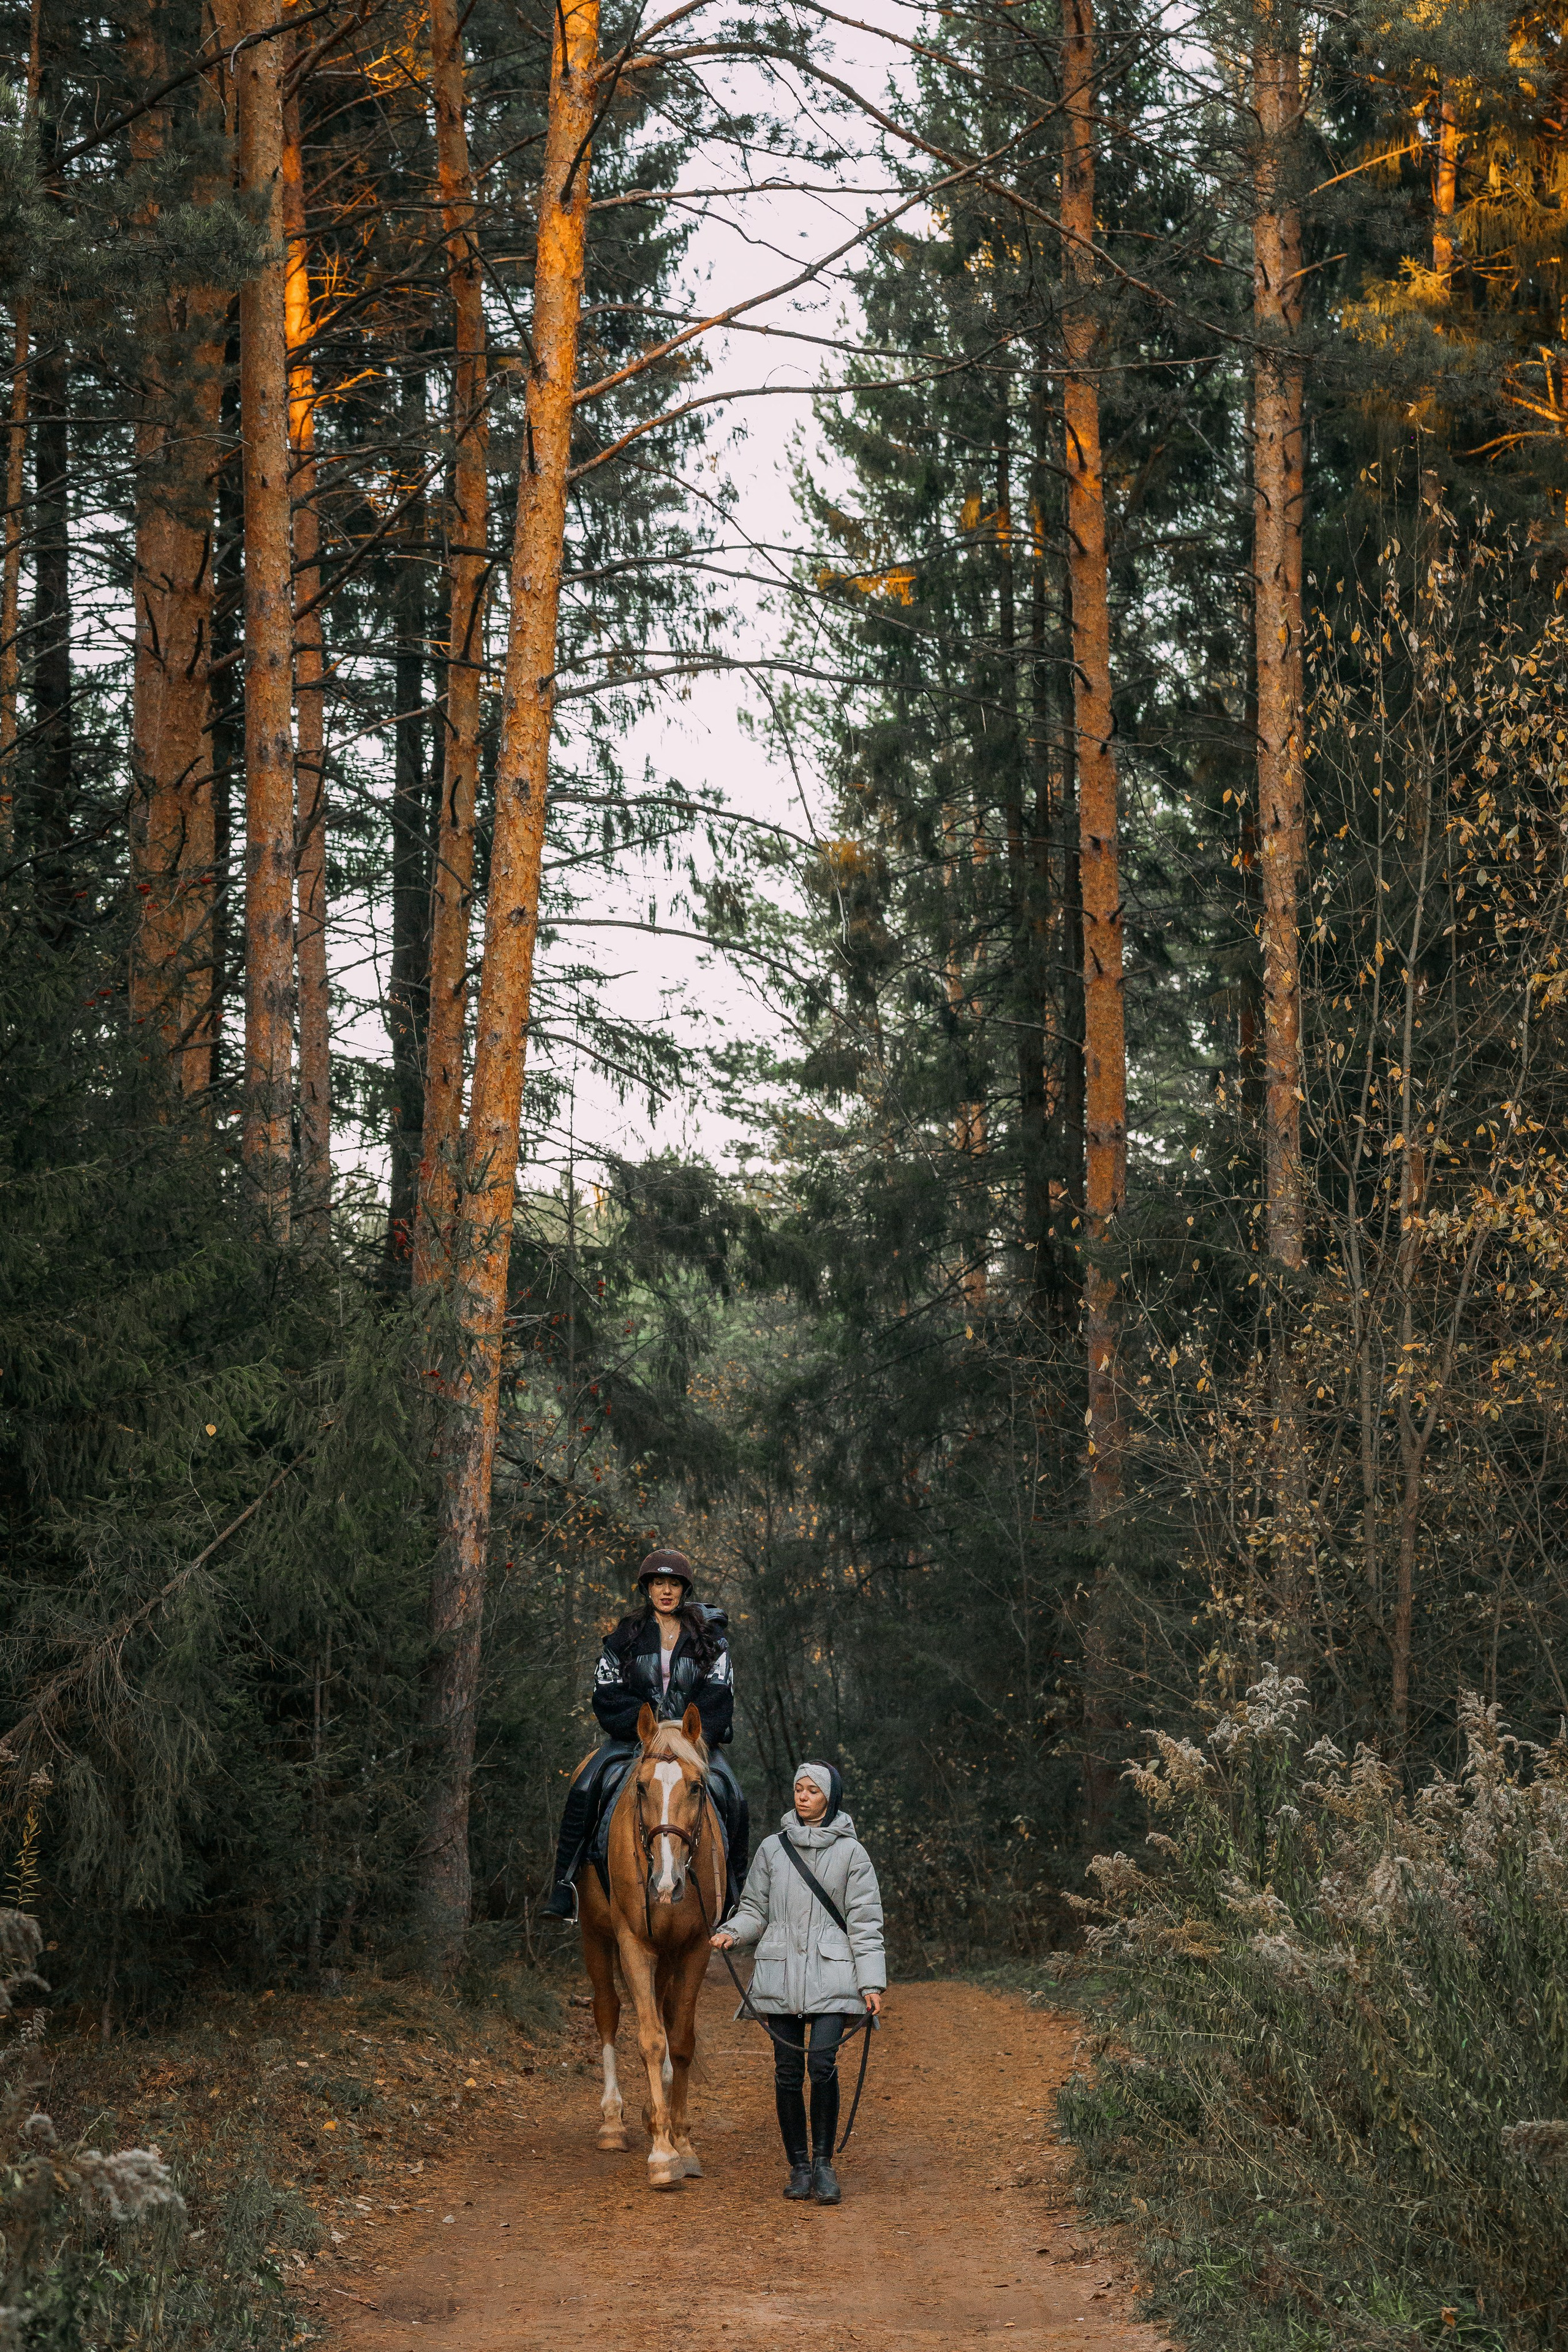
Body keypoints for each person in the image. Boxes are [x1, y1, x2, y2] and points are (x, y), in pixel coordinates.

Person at [711, 1761, 885, 2206]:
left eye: (812, 1791)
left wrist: (872, 1984)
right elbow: (754, 1908)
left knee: (821, 2066)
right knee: (788, 2074)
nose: (803, 1796)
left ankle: (824, 2165)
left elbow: (865, 1925)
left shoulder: (853, 1854)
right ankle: (799, 2167)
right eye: (798, 1789)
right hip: (781, 1971)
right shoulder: (773, 1849)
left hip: (833, 1972)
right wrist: (734, 1931)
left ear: (830, 1798)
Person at [541, 1548, 749, 1920]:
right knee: (585, 1787)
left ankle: (736, 1895)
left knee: (733, 1795)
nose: (666, 1591)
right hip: (635, 1740)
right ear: (647, 1588)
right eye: (658, 1583)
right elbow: (606, 1694)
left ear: (684, 1589)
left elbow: (719, 1694)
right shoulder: (624, 1638)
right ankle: (565, 1887)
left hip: (694, 1744)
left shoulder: (712, 1640)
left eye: (673, 1584)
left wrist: (690, 1735)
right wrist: (646, 1727)